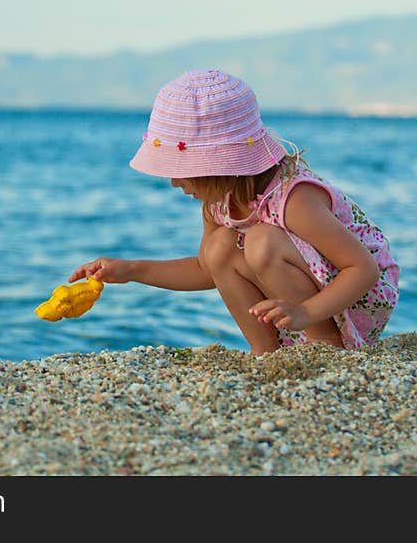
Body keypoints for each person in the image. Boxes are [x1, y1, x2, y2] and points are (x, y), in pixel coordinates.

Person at [69, 69, 399, 354]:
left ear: (220, 167)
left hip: (356, 297)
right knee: (219, 247)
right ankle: (265, 351)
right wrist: (130, 270)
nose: (172, 181)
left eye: (181, 169)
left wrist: (305, 312)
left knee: (260, 242)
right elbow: (206, 269)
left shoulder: (295, 199)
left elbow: (361, 269)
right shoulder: (218, 203)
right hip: (305, 298)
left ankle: (325, 346)